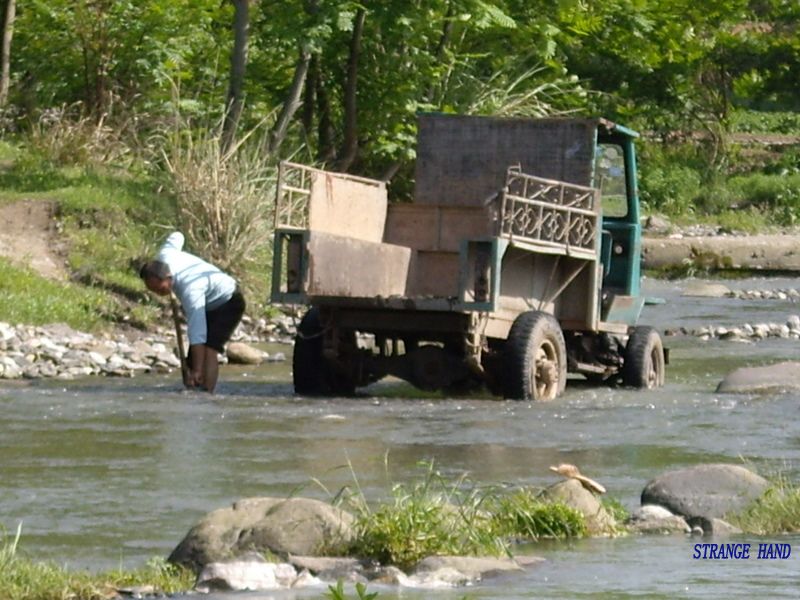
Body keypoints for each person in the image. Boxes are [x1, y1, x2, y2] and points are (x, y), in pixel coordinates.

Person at [140, 231, 245, 392]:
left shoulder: (190, 290)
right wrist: (193, 366)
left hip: (229, 301)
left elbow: (198, 334)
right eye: (152, 290)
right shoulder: (164, 255)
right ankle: (193, 389)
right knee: (192, 361)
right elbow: (177, 235)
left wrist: (197, 370)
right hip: (209, 302)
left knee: (210, 349)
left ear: (168, 277)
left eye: (160, 289)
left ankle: (206, 395)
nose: (158, 294)